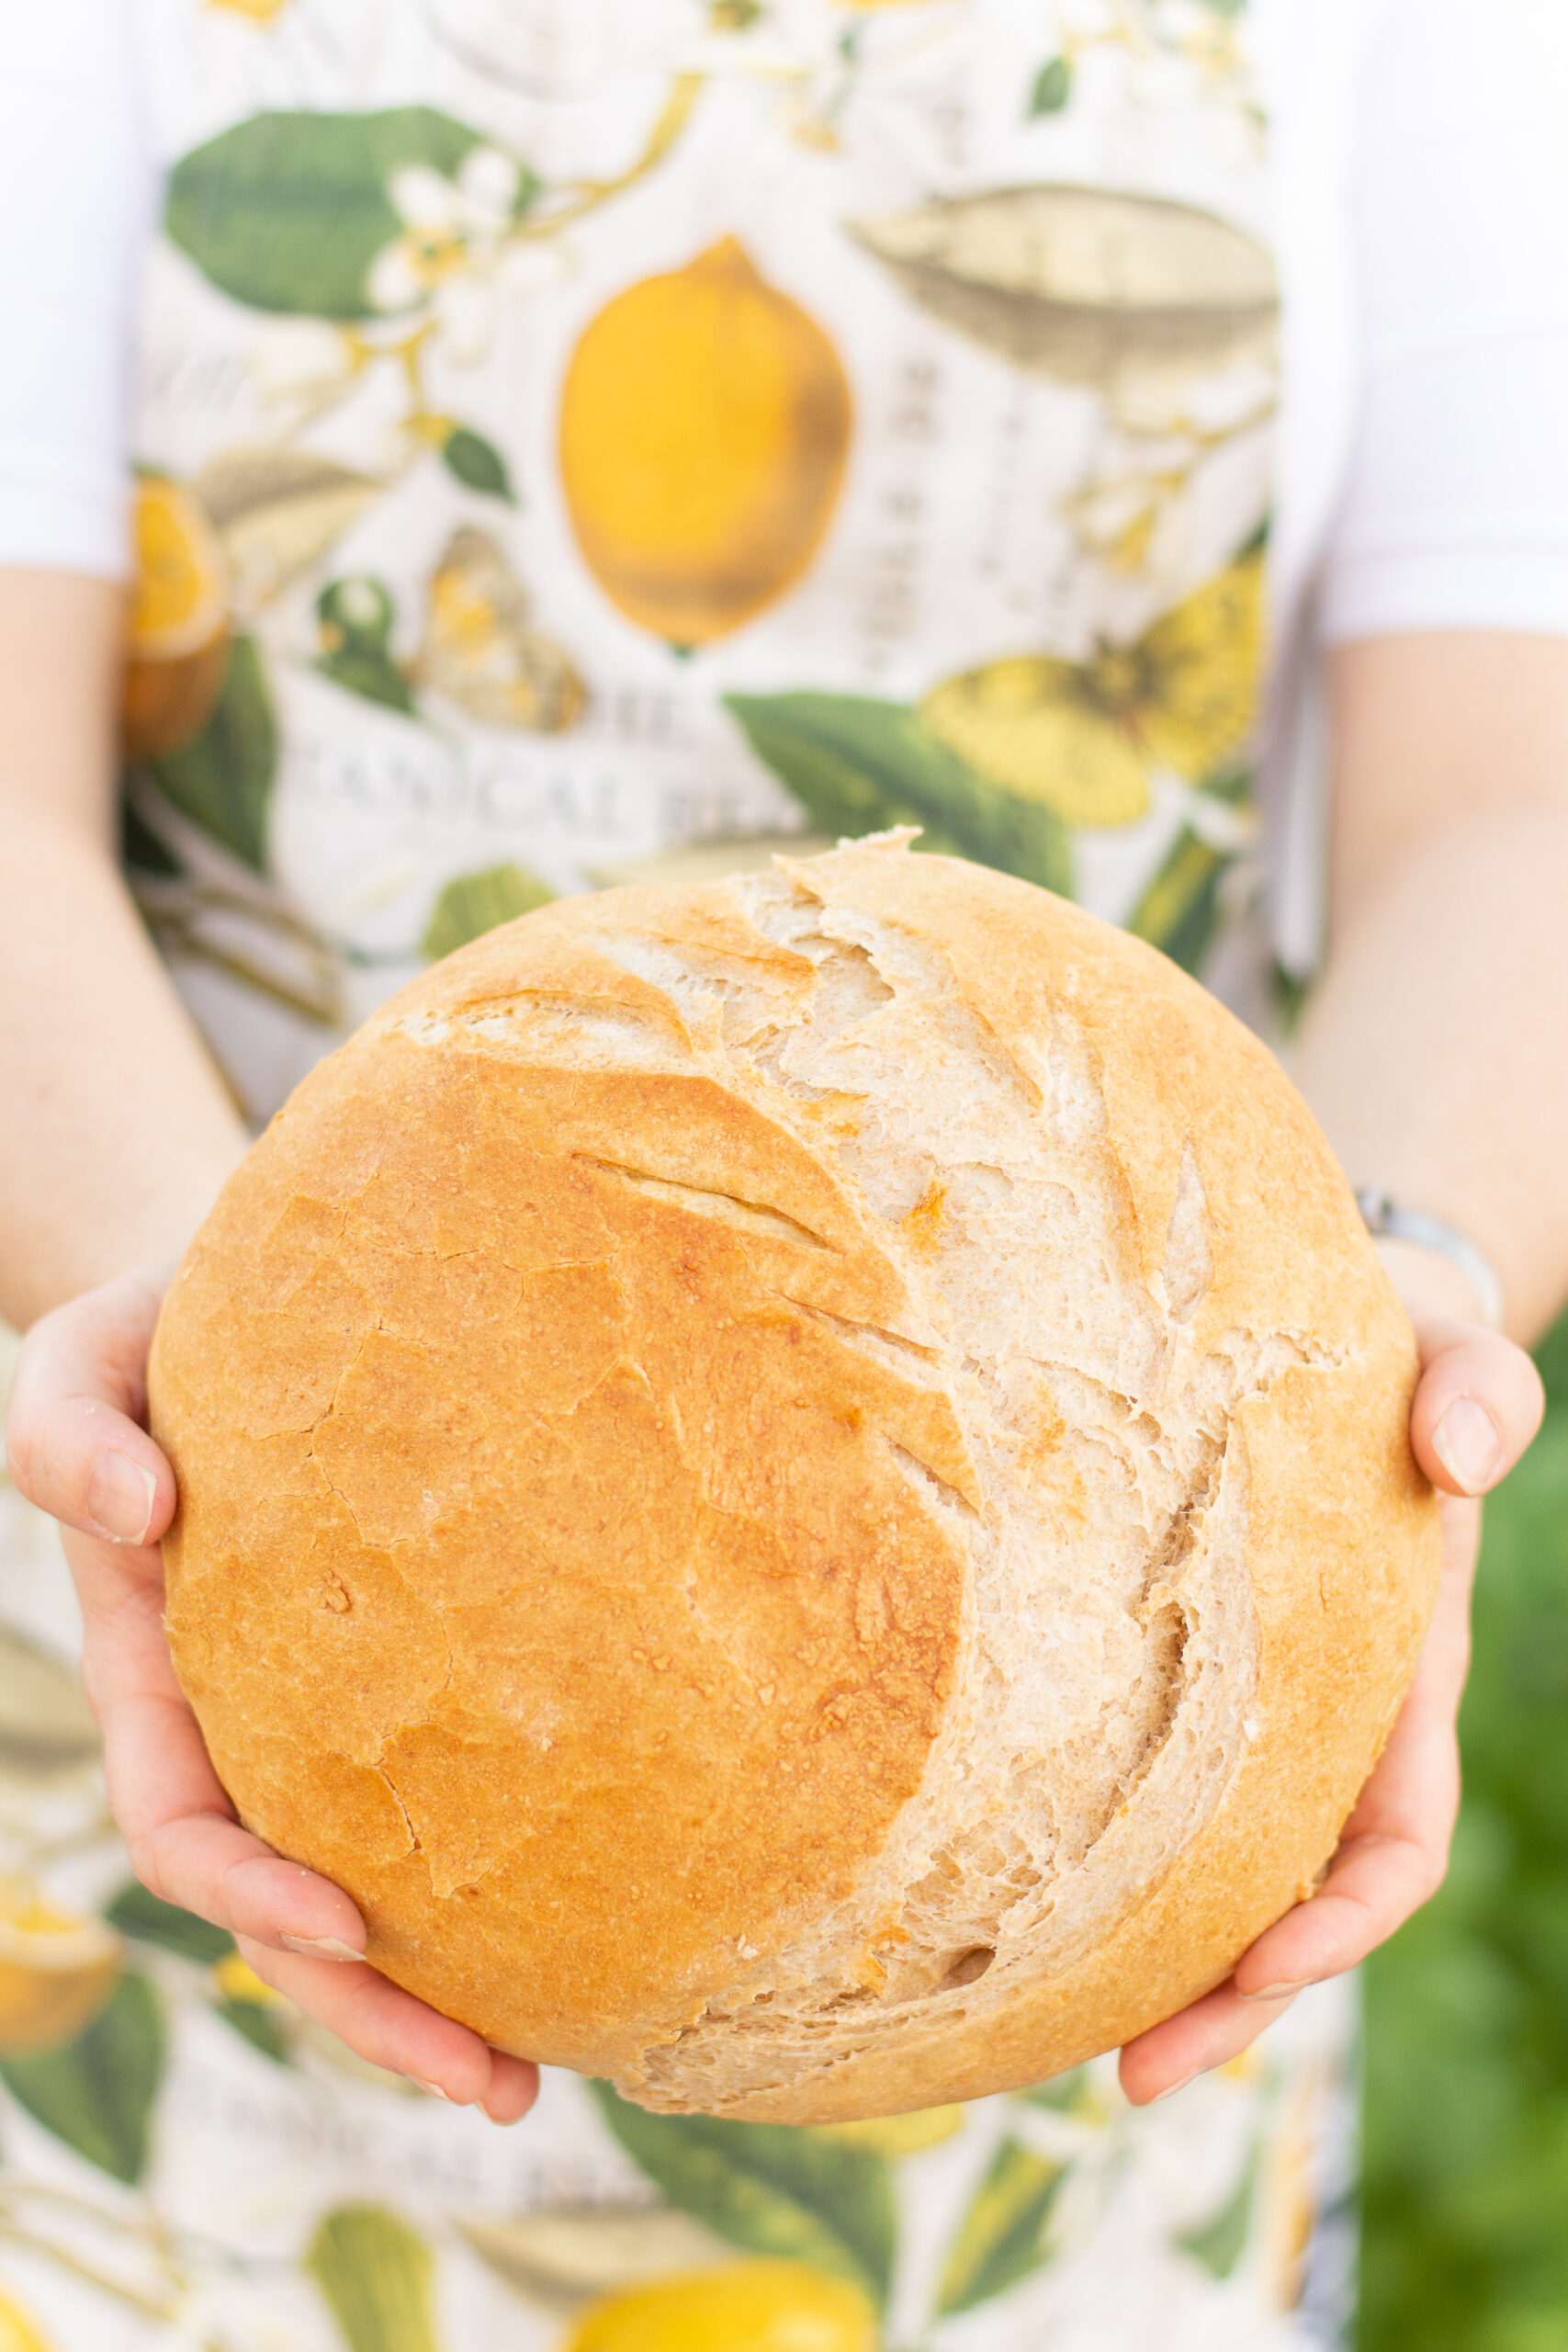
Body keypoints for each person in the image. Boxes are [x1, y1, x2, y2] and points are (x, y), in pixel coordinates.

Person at [0, 0, 1563, 2345]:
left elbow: (1509, 812)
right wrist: (174, 1324)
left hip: (1146, 1718)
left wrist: (1401, 1285)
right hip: (229, 1687)